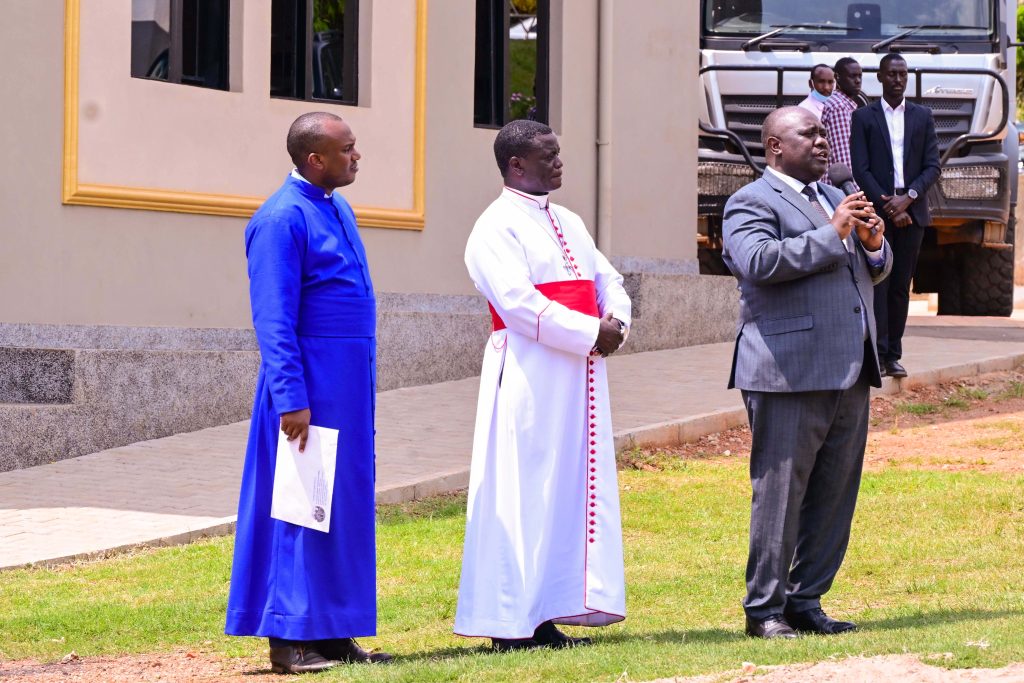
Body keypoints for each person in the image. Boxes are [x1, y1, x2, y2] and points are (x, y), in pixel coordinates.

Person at [225, 112, 392, 673]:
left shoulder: (336, 206)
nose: (357, 156)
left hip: (346, 385)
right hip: (309, 388)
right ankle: (291, 638)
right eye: (347, 149)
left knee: (339, 503)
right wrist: (291, 397)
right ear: (315, 159)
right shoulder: (280, 219)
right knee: (301, 503)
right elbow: (273, 320)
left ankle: (334, 629)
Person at [455, 119, 631, 652]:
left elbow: (607, 279)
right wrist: (590, 332)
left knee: (566, 491)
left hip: (578, 374)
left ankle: (549, 609)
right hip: (529, 375)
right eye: (548, 155)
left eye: (558, 153)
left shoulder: (569, 220)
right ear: (516, 164)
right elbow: (518, 303)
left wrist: (616, 321)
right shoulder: (494, 227)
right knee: (524, 491)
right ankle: (512, 621)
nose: (559, 162)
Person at [722, 106, 892, 639]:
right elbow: (759, 263)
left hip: (850, 367)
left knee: (835, 493)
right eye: (809, 133)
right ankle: (764, 611)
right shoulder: (750, 201)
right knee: (780, 495)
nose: (823, 141)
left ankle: (806, 600)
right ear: (775, 146)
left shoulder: (832, 195)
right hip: (787, 369)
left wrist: (874, 247)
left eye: (823, 133)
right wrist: (834, 233)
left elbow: (868, 270)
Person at [851, 53, 940, 379]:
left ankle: (893, 356)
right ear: (880, 77)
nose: (898, 80)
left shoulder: (922, 116)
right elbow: (860, 168)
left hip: (912, 211)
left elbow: (933, 166)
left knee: (902, 285)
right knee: (879, 283)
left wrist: (908, 198)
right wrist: (887, 204)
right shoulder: (864, 117)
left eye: (903, 74)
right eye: (892, 74)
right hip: (877, 212)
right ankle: (876, 353)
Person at [821, 57, 868, 187]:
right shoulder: (839, 107)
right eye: (852, 76)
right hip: (842, 189)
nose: (857, 81)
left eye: (859, 76)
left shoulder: (843, 104)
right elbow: (844, 156)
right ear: (837, 77)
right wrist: (856, 192)